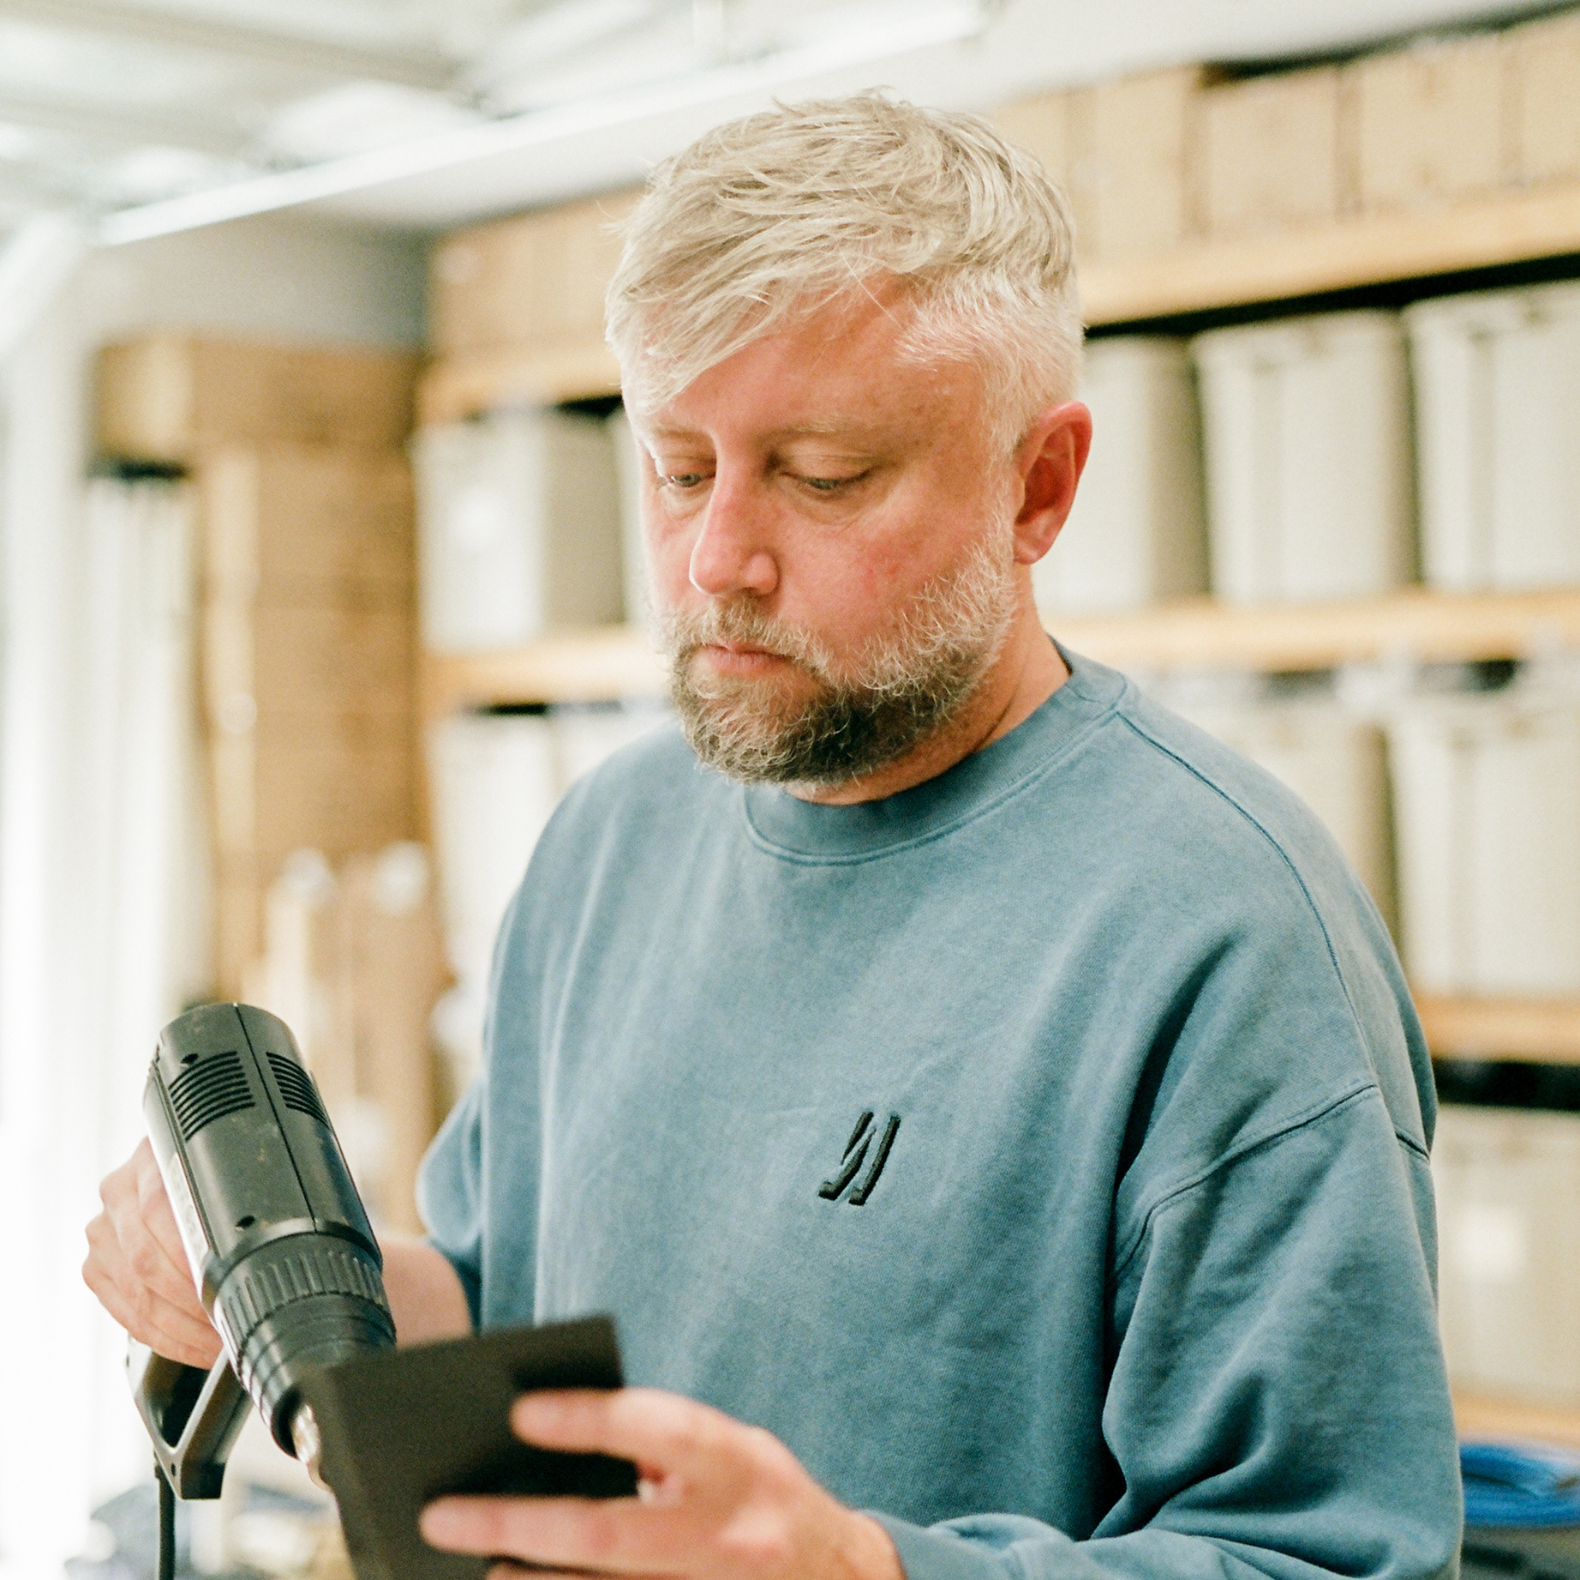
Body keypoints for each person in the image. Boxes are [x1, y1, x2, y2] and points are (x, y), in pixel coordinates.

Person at [85, 95, 1460, 1580]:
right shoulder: (606, 844)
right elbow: (504, 1297)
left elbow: (1333, 1560)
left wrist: (863, 1572)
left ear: (1038, 487)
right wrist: (267, 1289)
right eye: (678, 470)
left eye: (822, 477)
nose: (716, 562)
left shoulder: (1228, 936)